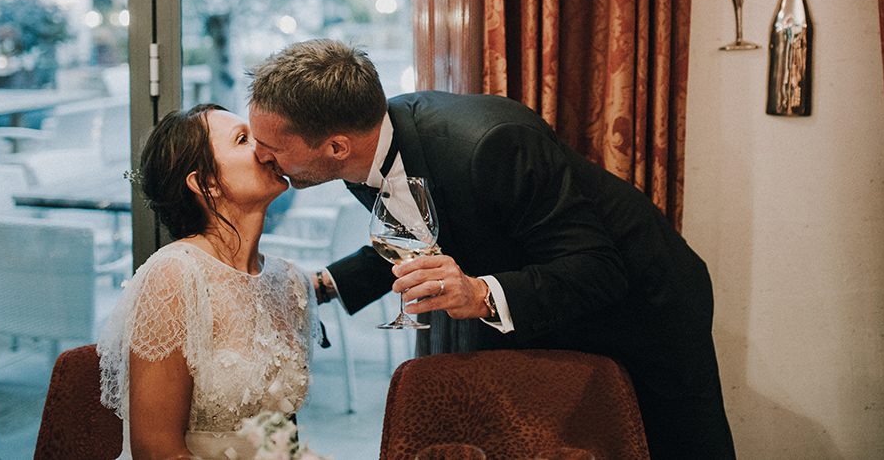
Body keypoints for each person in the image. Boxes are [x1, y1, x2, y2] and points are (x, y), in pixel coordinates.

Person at [247, 39, 736, 460]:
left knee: (667, 444)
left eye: (271, 146)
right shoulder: (362, 146)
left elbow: (596, 267)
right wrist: (323, 287)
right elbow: (420, 231)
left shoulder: (490, 144)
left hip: (645, 300)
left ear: (335, 147)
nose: (261, 156)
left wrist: (479, 294)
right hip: (547, 299)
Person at [97, 103, 319, 460]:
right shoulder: (175, 277)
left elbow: (284, 434)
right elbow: (157, 451)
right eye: (243, 139)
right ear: (206, 183)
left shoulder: (289, 282)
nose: (264, 149)